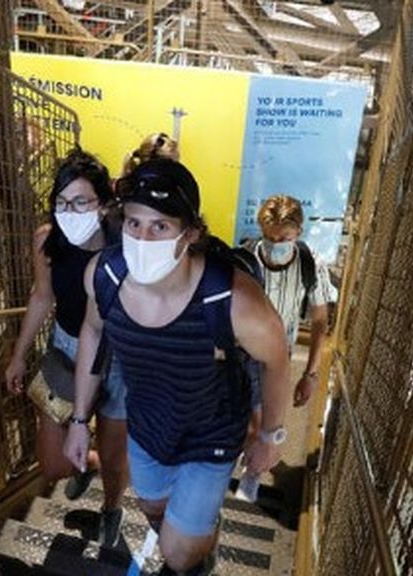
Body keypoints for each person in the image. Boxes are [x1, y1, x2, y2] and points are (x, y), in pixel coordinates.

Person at [64, 159, 290, 575]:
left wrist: (272, 435)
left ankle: (194, 547)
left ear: (191, 234)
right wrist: (79, 419)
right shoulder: (105, 277)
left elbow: (276, 359)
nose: (141, 238)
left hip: (213, 433)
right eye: (133, 223)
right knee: (153, 508)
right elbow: (92, 332)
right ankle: (196, 530)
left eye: (160, 227)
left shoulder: (233, 301)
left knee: (178, 554)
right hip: (148, 427)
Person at [4, 150, 128, 547]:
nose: (68, 211)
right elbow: (42, 297)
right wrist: (19, 355)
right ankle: (84, 462)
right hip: (67, 347)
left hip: (118, 358)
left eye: (80, 202)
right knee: (53, 464)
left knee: (114, 452)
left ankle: (111, 507)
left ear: (104, 203)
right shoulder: (47, 240)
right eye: (61, 203)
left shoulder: (122, 241)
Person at [243, 195, 337, 409]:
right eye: (269, 238)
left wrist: (310, 375)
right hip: (242, 353)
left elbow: (320, 320)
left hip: (279, 357)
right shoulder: (245, 259)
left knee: (264, 419)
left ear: (298, 233)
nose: (275, 245)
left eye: (284, 239)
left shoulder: (310, 264)